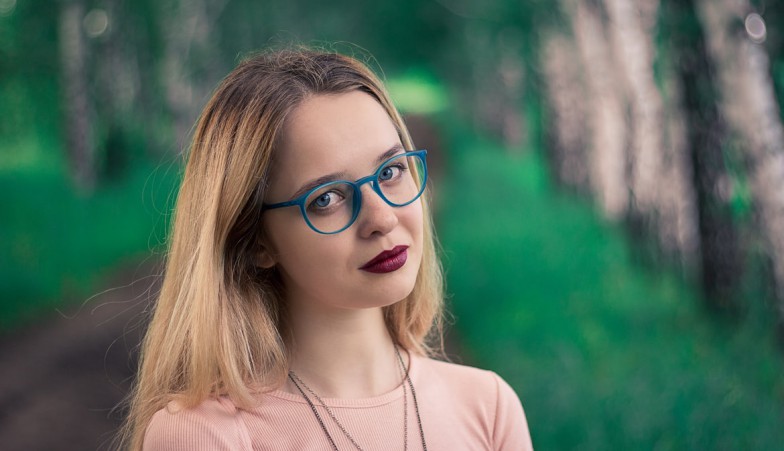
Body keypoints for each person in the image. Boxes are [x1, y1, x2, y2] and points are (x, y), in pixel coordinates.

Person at [122, 47, 533, 450]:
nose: (382, 218)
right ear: (256, 241)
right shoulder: (205, 436)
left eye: (390, 171)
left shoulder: (489, 409)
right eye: (326, 198)